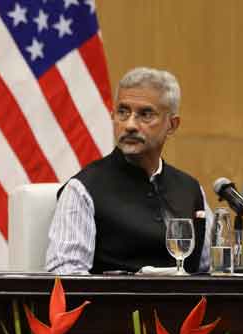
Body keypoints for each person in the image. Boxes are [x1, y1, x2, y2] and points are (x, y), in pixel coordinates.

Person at [45, 67, 211, 274]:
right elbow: (66, 277)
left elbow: (212, 272)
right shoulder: (83, 189)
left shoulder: (191, 189)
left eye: (145, 114)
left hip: (189, 306)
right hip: (114, 306)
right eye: (123, 112)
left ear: (172, 125)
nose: (130, 125)